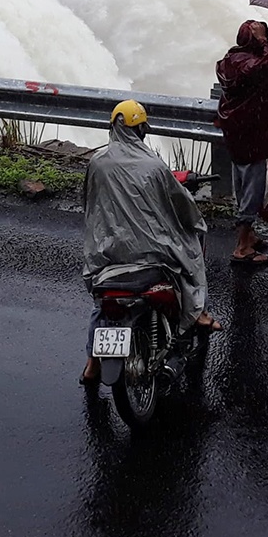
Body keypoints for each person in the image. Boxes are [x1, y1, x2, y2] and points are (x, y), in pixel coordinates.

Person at [81, 100, 220, 382]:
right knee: (189, 252)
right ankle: (197, 313)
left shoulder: (97, 163)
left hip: (107, 254)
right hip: (149, 254)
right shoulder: (154, 166)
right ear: (141, 131)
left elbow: (88, 202)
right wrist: (194, 220)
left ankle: (92, 365)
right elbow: (181, 207)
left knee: (101, 305)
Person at [214, 20, 268, 267]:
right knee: (253, 189)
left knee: (243, 185)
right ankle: (242, 247)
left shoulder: (231, 59)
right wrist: (263, 41)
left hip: (236, 133)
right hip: (252, 136)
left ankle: (249, 235)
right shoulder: (256, 64)